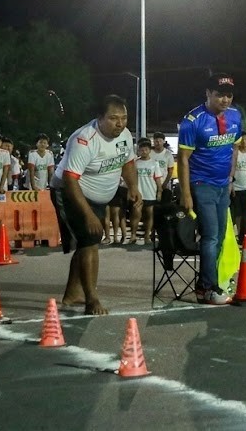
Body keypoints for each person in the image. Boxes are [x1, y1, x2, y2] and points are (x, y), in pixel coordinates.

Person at [51, 94, 140, 315]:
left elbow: (127, 162)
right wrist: (89, 215)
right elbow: (71, 180)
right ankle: (92, 300)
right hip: (71, 192)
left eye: (124, 118)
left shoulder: (126, 135)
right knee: (90, 242)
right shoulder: (84, 140)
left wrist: (133, 188)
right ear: (99, 118)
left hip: (99, 197)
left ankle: (73, 294)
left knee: (86, 242)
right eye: (113, 118)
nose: (120, 123)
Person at [178, 73, 242, 305]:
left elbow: (234, 150)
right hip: (201, 184)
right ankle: (208, 289)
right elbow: (183, 159)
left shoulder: (236, 116)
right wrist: (186, 194)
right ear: (208, 94)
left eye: (228, 95)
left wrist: (231, 178)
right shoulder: (193, 121)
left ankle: (212, 283)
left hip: (223, 186)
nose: (225, 100)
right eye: (219, 95)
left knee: (221, 237)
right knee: (211, 236)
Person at [134, 138, 163, 245]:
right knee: (136, 214)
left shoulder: (154, 163)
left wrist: (159, 191)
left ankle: (147, 236)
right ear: (138, 151)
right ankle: (133, 235)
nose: (144, 152)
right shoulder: (135, 163)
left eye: (146, 149)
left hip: (150, 193)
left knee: (149, 215)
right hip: (138, 194)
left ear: (149, 150)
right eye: (141, 150)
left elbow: (158, 178)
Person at [149, 132, 176, 206]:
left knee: (164, 205)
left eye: (160, 141)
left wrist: (165, 183)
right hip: (150, 185)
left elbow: (170, 171)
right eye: (156, 141)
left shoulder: (168, 154)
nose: (158, 143)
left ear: (163, 141)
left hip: (164, 184)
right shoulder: (149, 153)